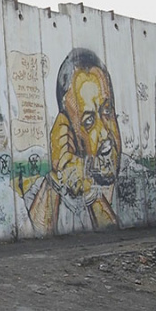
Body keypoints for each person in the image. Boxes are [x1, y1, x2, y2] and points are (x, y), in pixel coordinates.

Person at [26, 48, 122, 234]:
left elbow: (116, 237)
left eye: (107, 111)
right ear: (68, 130)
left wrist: (91, 193)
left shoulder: (138, 178)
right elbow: (33, 236)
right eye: (89, 121)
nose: (104, 132)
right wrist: (56, 178)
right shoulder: (43, 192)